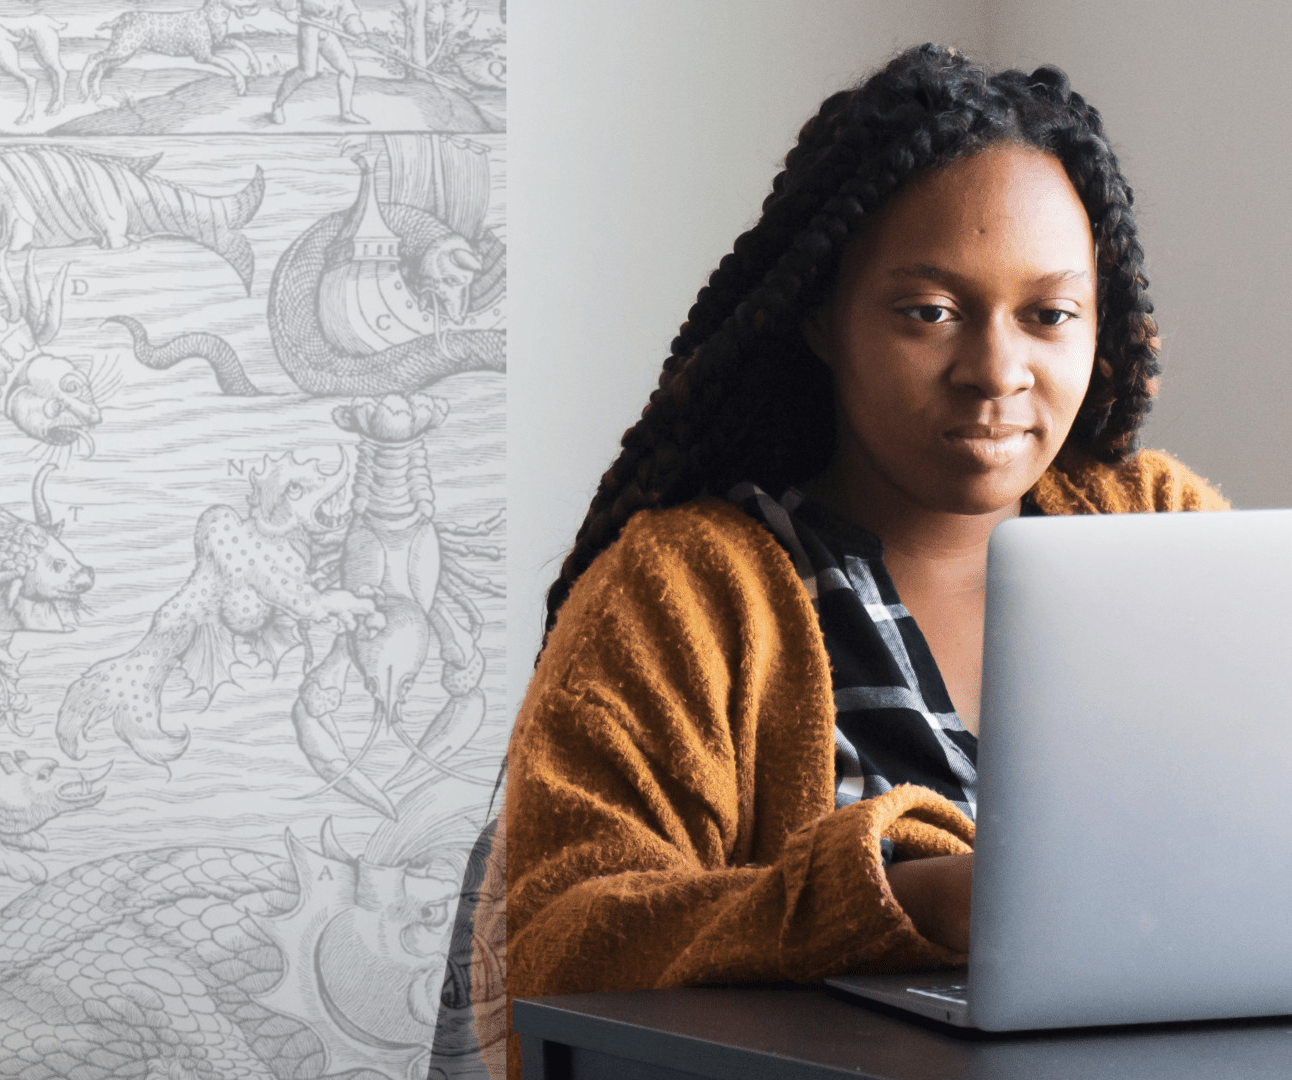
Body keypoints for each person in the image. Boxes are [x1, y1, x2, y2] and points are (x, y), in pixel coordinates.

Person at [473, 44, 1228, 1078]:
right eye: (930, 312)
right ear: (824, 320)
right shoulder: (684, 591)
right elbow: (558, 944)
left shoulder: (1162, 530)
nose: (997, 371)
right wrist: (897, 900)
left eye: (1048, 315)